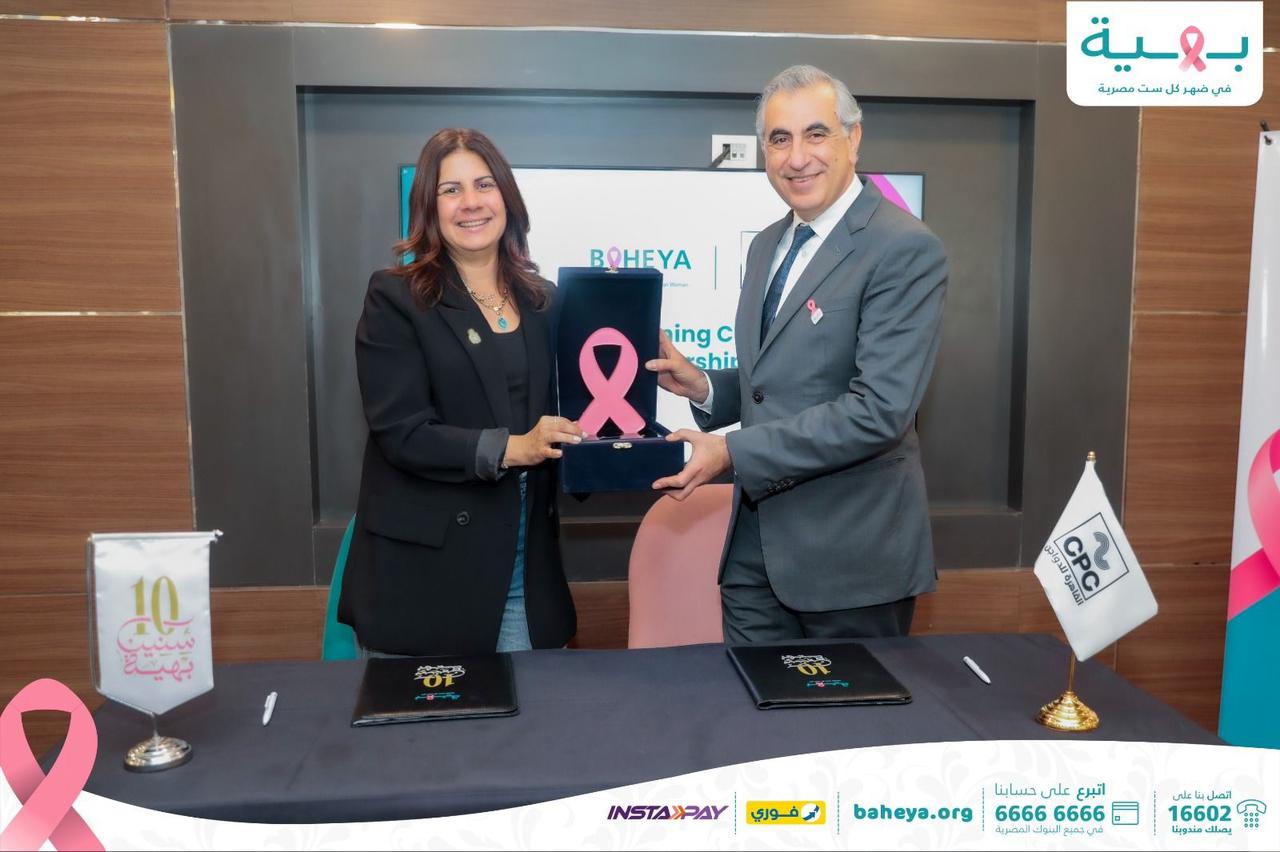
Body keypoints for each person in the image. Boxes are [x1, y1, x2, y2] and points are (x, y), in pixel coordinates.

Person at [647, 65, 948, 643]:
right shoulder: (767, 244)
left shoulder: (905, 248)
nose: (797, 157)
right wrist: (707, 387)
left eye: (816, 134)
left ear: (853, 139)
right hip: (754, 552)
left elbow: (879, 410)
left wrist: (731, 451)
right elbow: (786, 381)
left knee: (855, 709)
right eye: (779, 139)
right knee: (750, 702)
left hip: (853, 561)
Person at [340, 128, 583, 656]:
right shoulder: (397, 298)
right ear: (429, 207)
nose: (471, 202)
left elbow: (576, 415)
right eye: (450, 190)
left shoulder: (544, 302)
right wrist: (512, 448)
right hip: (426, 578)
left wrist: (623, 437)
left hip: (525, 572)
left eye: (484, 185)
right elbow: (402, 432)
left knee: (532, 711)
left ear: (507, 198)